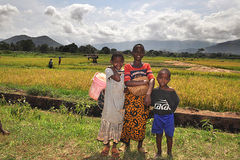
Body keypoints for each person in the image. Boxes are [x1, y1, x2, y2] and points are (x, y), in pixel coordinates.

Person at [120, 44, 155, 153]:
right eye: (136, 52)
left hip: (144, 99)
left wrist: (148, 94)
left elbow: (152, 80)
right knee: (128, 121)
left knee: (142, 122)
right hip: (131, 98)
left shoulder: (147, 66)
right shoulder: (128, 67)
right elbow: (127, 82)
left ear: (144, 54)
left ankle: (140, 146)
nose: (138, 54)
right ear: (132, 53)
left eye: (141, 52)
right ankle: (126, 144)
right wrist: (143, 82)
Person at [97, 52, 125, 158]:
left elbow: (125, 86)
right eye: (115, 62)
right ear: (111, 62)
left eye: (120, 61)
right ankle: (107, 146)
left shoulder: (124, 72)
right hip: (109, 104)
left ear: (123, 62)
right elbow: (117, 78)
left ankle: (114, 146)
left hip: (120, 103)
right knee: (107, 123)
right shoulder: (108, 70)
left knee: (117, 124)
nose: (118, 63)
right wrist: (112, 68)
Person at [151, 68, 179, 159]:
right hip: (157, 116)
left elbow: (176, 102)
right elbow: (152, 102)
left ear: (169, 80)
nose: (163, 80)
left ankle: (169, 152)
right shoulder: (154, 91)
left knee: (169, 136)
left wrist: (171, 111)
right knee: (158, 135)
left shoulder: (171, 91)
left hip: (168, 117)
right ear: (157, 78)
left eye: (166, 78)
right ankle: (159, 152)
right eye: (160, 78)